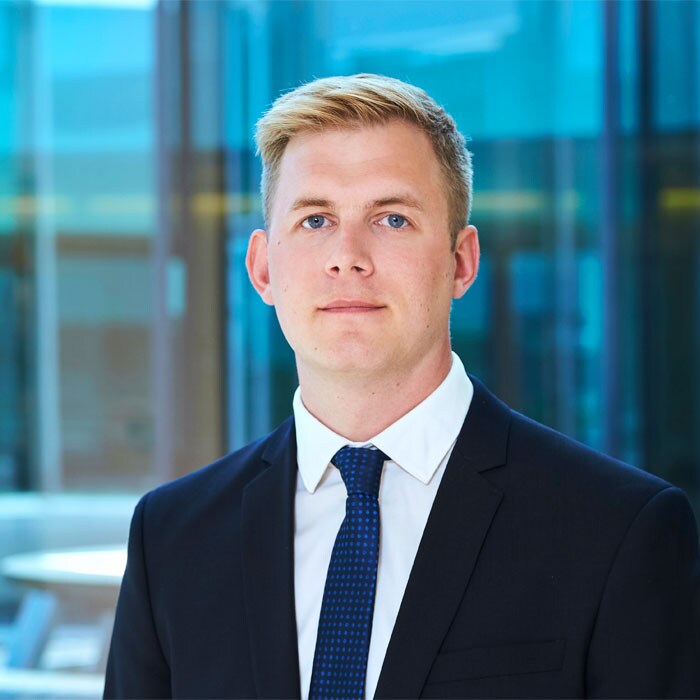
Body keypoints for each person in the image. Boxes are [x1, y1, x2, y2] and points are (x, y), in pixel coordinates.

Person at [104, 74, 700, 699]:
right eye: (314, 220)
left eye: (392, 219)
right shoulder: (172, 538)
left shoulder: (617, 530)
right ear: (262, 268)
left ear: (461, 262)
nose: (347, 256)